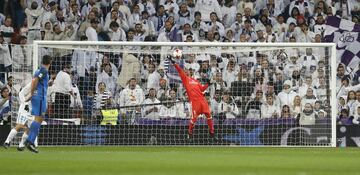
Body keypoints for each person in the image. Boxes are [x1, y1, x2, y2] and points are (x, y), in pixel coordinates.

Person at [170, 56, 216, 142]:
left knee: (209, 116)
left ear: (192, 72)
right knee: (193, 119)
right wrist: (173, 62)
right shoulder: (185, 79)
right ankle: (190, 134)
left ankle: (212, 134)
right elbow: (179, 70)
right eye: (187, 70)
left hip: (203, 101)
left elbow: (202, 89)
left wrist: (208, 83)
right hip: (195, 102)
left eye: (190, 70)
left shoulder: (196, 81)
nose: (188, 71)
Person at [25, 55, 52, 153]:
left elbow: (38, 80)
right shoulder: (44, 70)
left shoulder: (39, 70)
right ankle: (30, 141)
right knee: (38, 119)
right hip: (40, 97)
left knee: (39, 119)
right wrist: (31, 93)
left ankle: (29, 141)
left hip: (38, 97)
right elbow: (35, 80)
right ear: (50, 62)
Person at [3, 82, 38, 151]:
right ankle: (7, 142)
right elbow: (25, 98)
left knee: (30, 129)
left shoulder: (39, 89)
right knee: (19, 126)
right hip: (24, 110)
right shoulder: (25, 91)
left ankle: (21, 145)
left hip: (32, 111)